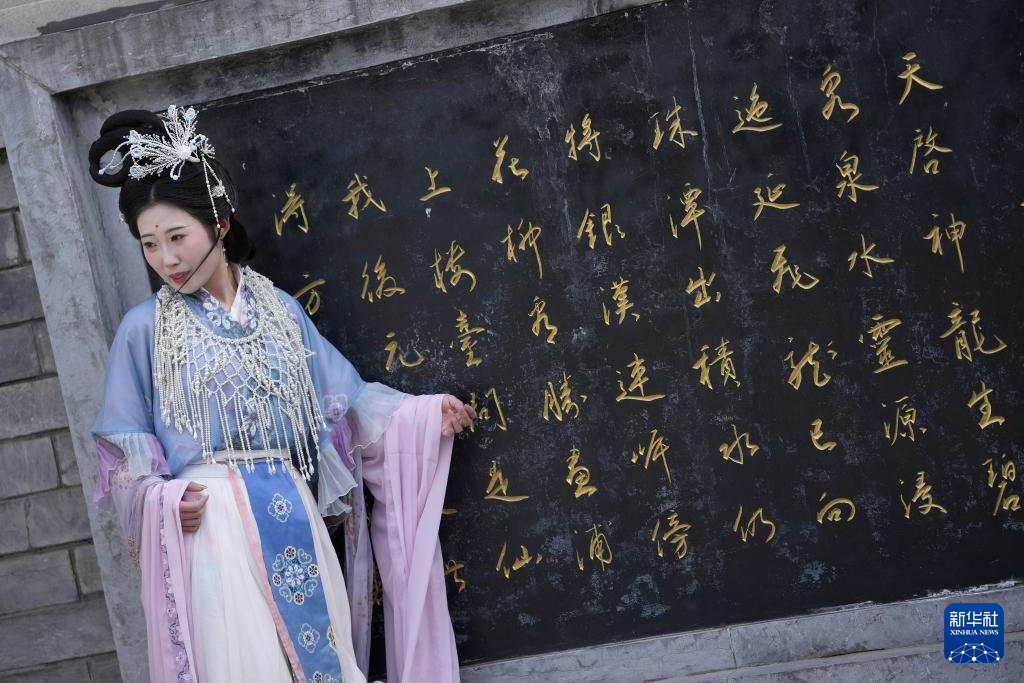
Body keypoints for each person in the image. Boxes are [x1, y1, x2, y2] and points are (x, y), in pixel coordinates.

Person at [87, 106, 475, 682]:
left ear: (219, 224)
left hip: (293, 513)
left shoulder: (280, 313)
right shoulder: (145, 330)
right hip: (213, 532)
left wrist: (420, 416)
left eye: (177, 237)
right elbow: (124, 455)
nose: (166, 259)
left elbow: (345, 404)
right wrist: (160, 499)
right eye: (149, 244)